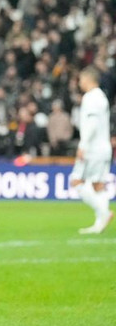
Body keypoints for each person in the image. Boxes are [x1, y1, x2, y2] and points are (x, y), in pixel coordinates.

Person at [71, 69, 113, 234]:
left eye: (81, 79)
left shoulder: (91, 97)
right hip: (104, 148)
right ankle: (99, 224)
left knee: (76, 181)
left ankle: (104, 213)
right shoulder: (101, 97)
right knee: (98, 185)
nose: (80, 82)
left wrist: (83, 145)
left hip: (93, 148)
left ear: (88, 79)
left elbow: (92, 123)